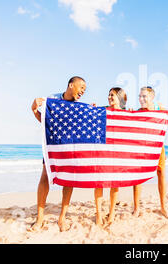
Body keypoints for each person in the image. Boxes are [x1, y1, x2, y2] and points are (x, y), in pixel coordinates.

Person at [29, 76, 87, 232]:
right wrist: (34, 109)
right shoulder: (52, 99)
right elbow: (44, 121)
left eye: (84, 90)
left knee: (69, 179)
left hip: (70, 145)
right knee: (45, 175)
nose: (83, 91)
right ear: (70, 85)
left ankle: (62, 217)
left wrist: (91, 110)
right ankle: (40, 218)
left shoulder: (80, 106)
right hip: (53, 144)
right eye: (81, 87)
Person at [133, 86, 168, 219]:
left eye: (144, 96)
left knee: (161, 173)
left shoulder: (158, 107)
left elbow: (166, 117)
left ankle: (163, 206)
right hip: (143, 147)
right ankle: (137, 208)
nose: (141, 99)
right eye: (140, 96)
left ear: (152, 97)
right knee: (138, 177)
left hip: (157, 146)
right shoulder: (139, 111)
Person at [94, 87, 127, 227]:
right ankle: (98, 214)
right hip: (103, 149)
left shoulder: (127, 113)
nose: (109, 97)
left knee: (115, 183)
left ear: (120, 97)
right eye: (108, 94)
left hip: (118, 152)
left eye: (112, 95)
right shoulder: (102, 110)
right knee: (99, 182)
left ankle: (112, 212)